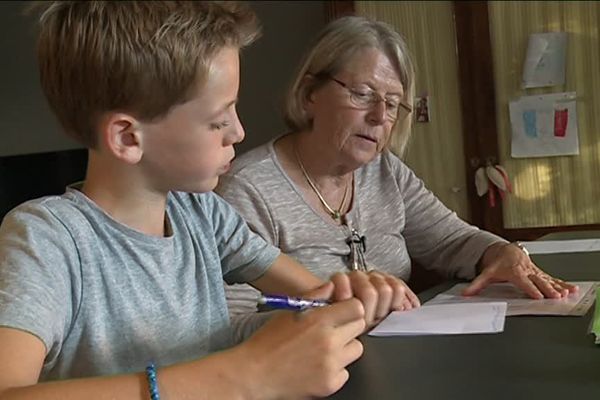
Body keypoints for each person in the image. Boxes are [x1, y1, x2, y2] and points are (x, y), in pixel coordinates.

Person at [0, 3, 408, 399]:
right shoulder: (46, 240)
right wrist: (242, 376)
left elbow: (314, 296)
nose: (239, 132)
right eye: (219, 119)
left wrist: (347, 300)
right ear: (128, 137)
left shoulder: (203, 214)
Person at [216, 15, 578, 321]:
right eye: (362, 94)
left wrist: (501, 253)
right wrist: (338, 312)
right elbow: (236, 322)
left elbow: (452, 239)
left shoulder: (384, 171)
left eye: (392, 104)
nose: (379, 117)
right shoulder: (249, 188)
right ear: (311, 92)